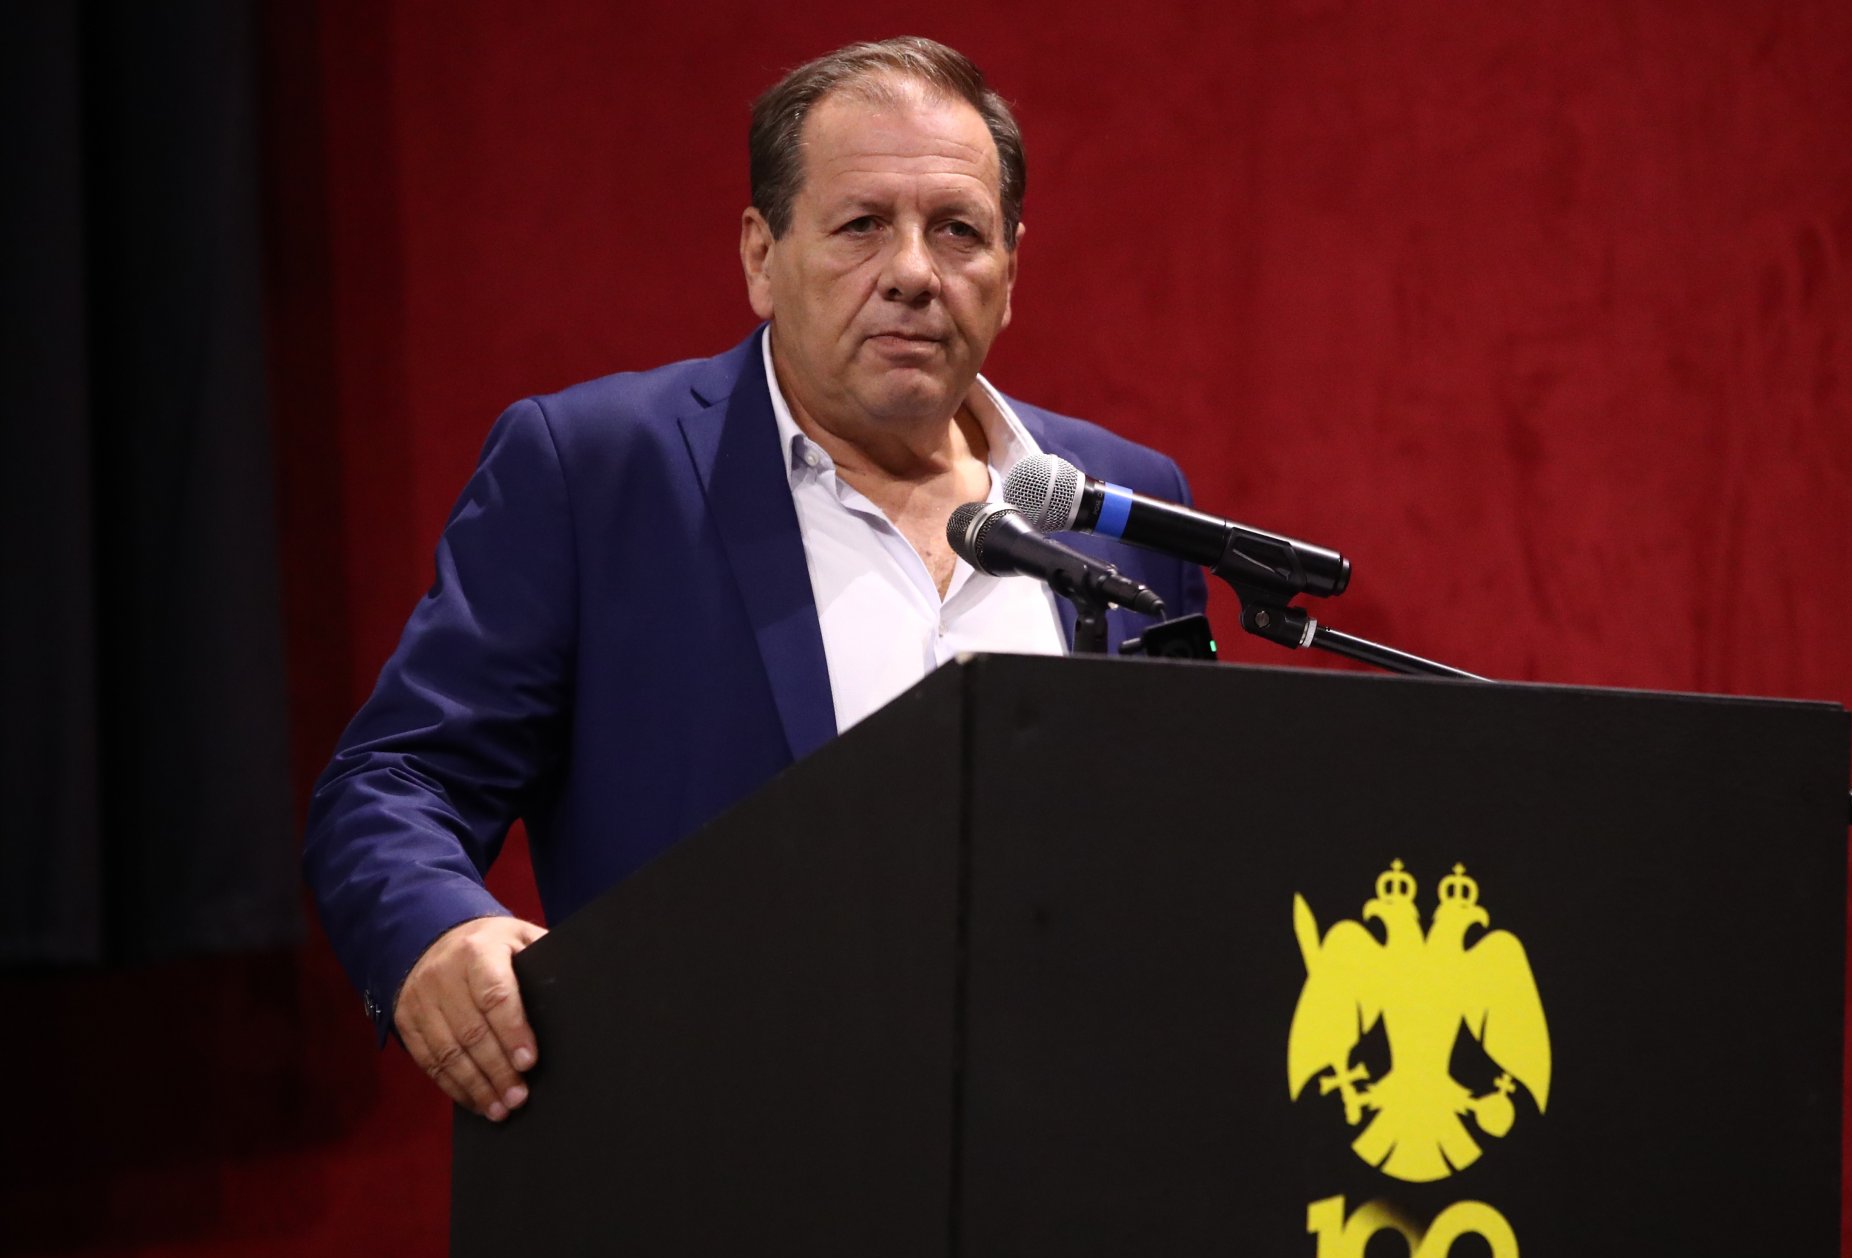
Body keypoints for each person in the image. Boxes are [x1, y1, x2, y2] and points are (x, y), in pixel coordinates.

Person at [302, 37, 1204, 1127]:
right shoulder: (596, 472)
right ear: (760, 255)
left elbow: (1175, 850)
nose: (913, 271)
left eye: (957, 230)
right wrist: (437, 933)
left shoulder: (1124, 508)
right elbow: (395, 778)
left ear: (1009, 271)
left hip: (1057, 1151)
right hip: (714, 1143)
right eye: (861, 224)